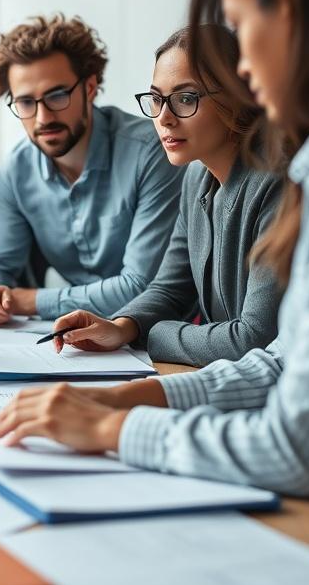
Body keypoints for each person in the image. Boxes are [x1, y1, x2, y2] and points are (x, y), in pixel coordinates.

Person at [0, 0, 309, 516]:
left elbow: (298, 443)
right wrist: (134, 393)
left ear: (298, 11)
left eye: (243, 29)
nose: (242, 66)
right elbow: (279, 359)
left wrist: (114, 426)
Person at [48, 25, 283, 366]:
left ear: (236, 96)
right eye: (157, 99)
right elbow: (171, 287)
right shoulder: (195, 176)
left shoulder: (278, 183)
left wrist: (154, 333)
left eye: (185, 98)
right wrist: (121, 327)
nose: (164, 118)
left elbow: (254, 339)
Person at [0, 14, 183, 323]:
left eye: (56, 96)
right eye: (26, 102)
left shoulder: (150, 151)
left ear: (90, 87)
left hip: (156, 334)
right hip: (79, 339)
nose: (42, 118)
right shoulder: (18, 169)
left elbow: (141, 288)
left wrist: (31, 301)